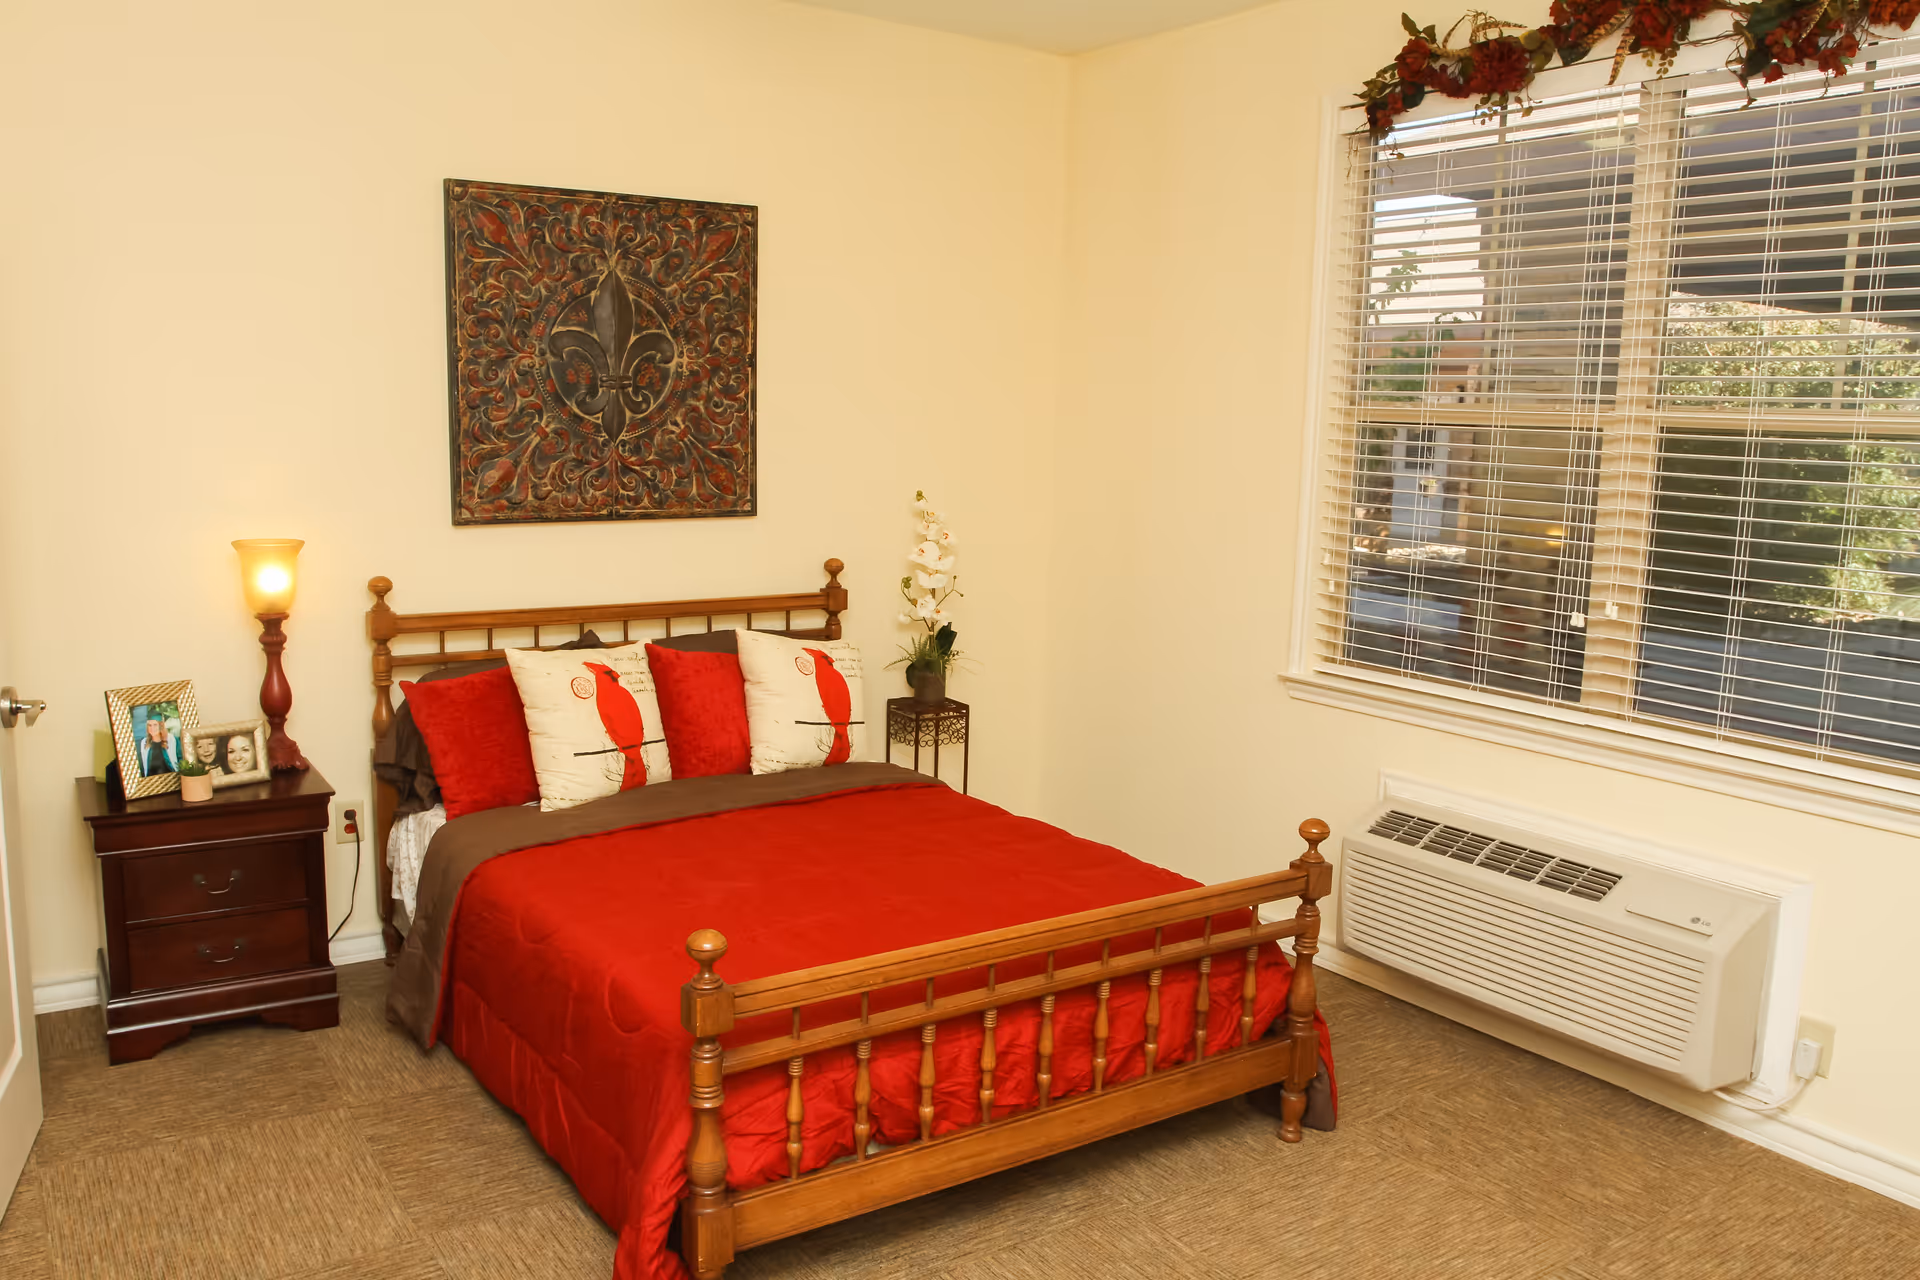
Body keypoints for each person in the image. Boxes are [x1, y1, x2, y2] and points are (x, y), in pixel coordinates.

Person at [139, 712, 178, 777]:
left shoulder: (172, 740)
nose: (152, 728)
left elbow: (180, 760)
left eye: (155, 725)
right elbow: (143, 766)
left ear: (161, 726)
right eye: (149, 725)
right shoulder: (144, 743)